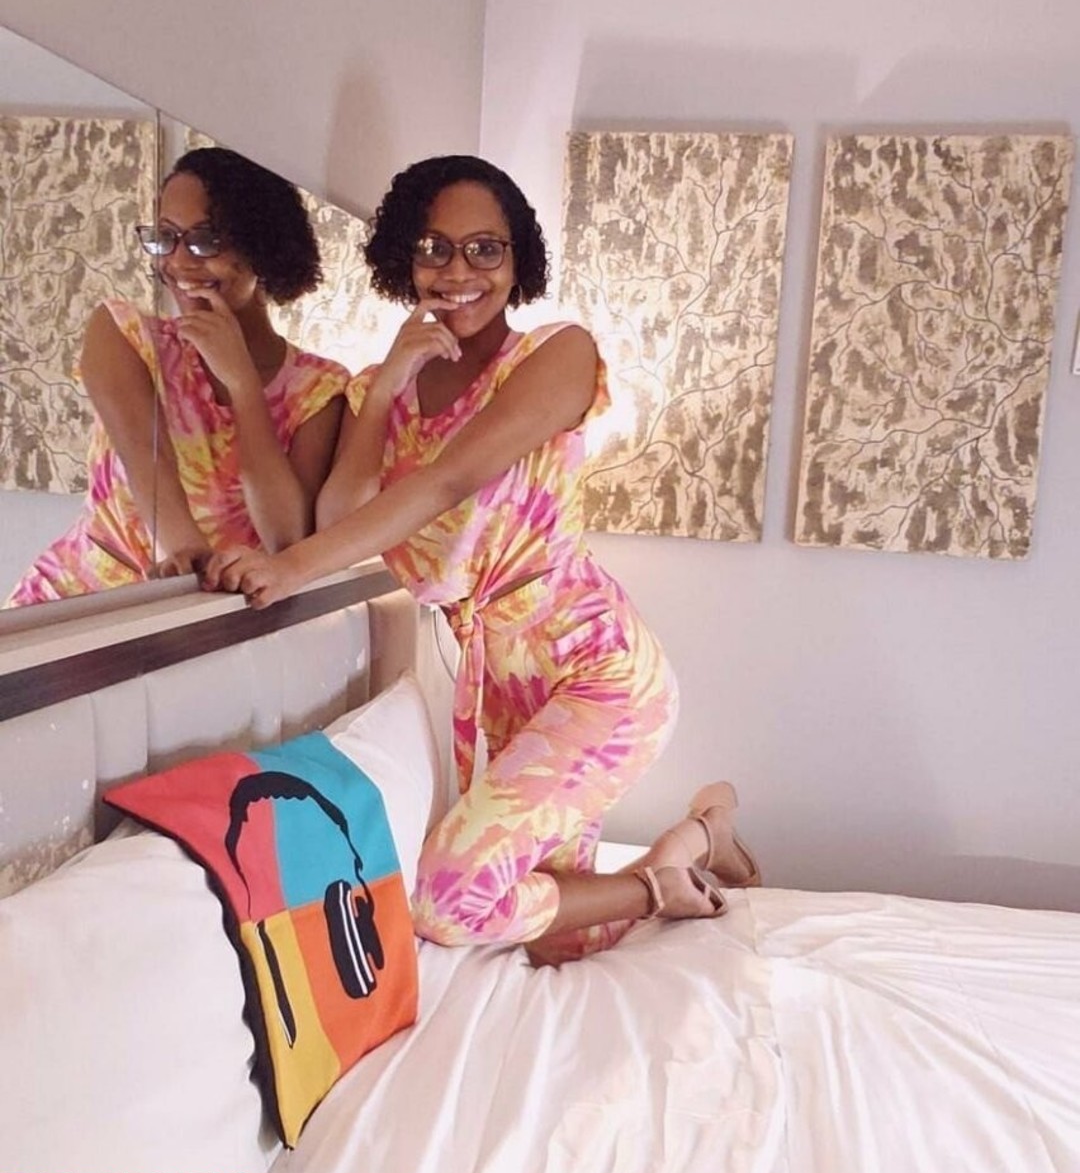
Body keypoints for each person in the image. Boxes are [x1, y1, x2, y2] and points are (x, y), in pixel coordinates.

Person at [201, 154, 759, 965]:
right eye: (433, 248)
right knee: (559, 944)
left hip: (598, 674)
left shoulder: (556, 356)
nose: (457, 272)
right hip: (497, 686)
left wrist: (289, 570)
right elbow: (341, 519)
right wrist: (386, 387)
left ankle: (668, 872)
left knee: (449, 898)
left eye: (485, 249)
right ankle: (699, 838)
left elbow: (450, 479)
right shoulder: (375, 392)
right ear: (403, 258)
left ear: (517, 259)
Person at [6, 147, 349, 606]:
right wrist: (187, 554)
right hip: (70, 605)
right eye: (165, 238)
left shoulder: (318, 389)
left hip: (196, 617)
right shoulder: (126, 335)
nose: (179, 261)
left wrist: (243, 384)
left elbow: (285, 541)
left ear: (261, 247)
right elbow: (146, 460)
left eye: (205, 240)